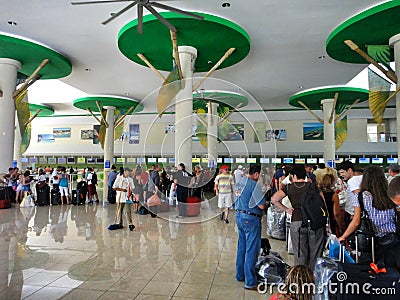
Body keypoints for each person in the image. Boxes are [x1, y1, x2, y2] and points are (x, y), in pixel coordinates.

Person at [338, 166, 400, 269]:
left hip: (371, 240)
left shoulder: (360, 196)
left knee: (374, 271)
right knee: (392, 270)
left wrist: (343, 236)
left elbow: (356, 222)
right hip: (393, 239)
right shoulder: (391, 194)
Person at [271, 165, 325, 269]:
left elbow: (274, 199)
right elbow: (323, 203)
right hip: (315, 222)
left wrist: (286, 209)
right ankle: (314, 278)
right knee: (315, 253)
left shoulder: (289, 187)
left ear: (294, 175)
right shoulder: (313, 187)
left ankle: (301, 278)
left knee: (300, 253)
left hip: (297, 221)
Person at [235, 164, 266, 290]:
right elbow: (262, 206)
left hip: (239, 216)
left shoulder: (239, 182)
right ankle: (250, 281)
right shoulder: (254, 185)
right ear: (257, 174)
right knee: (251, 249)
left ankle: (240, 275)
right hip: (251, 219)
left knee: (242, 247)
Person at [337, 160, 362, 228]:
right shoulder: (361, 178)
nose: (341, 175)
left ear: (350, 170)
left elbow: (357, 197)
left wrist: (354, 213)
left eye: (343, 172)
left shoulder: (352, 181)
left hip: (353, 214)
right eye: (340, 173)